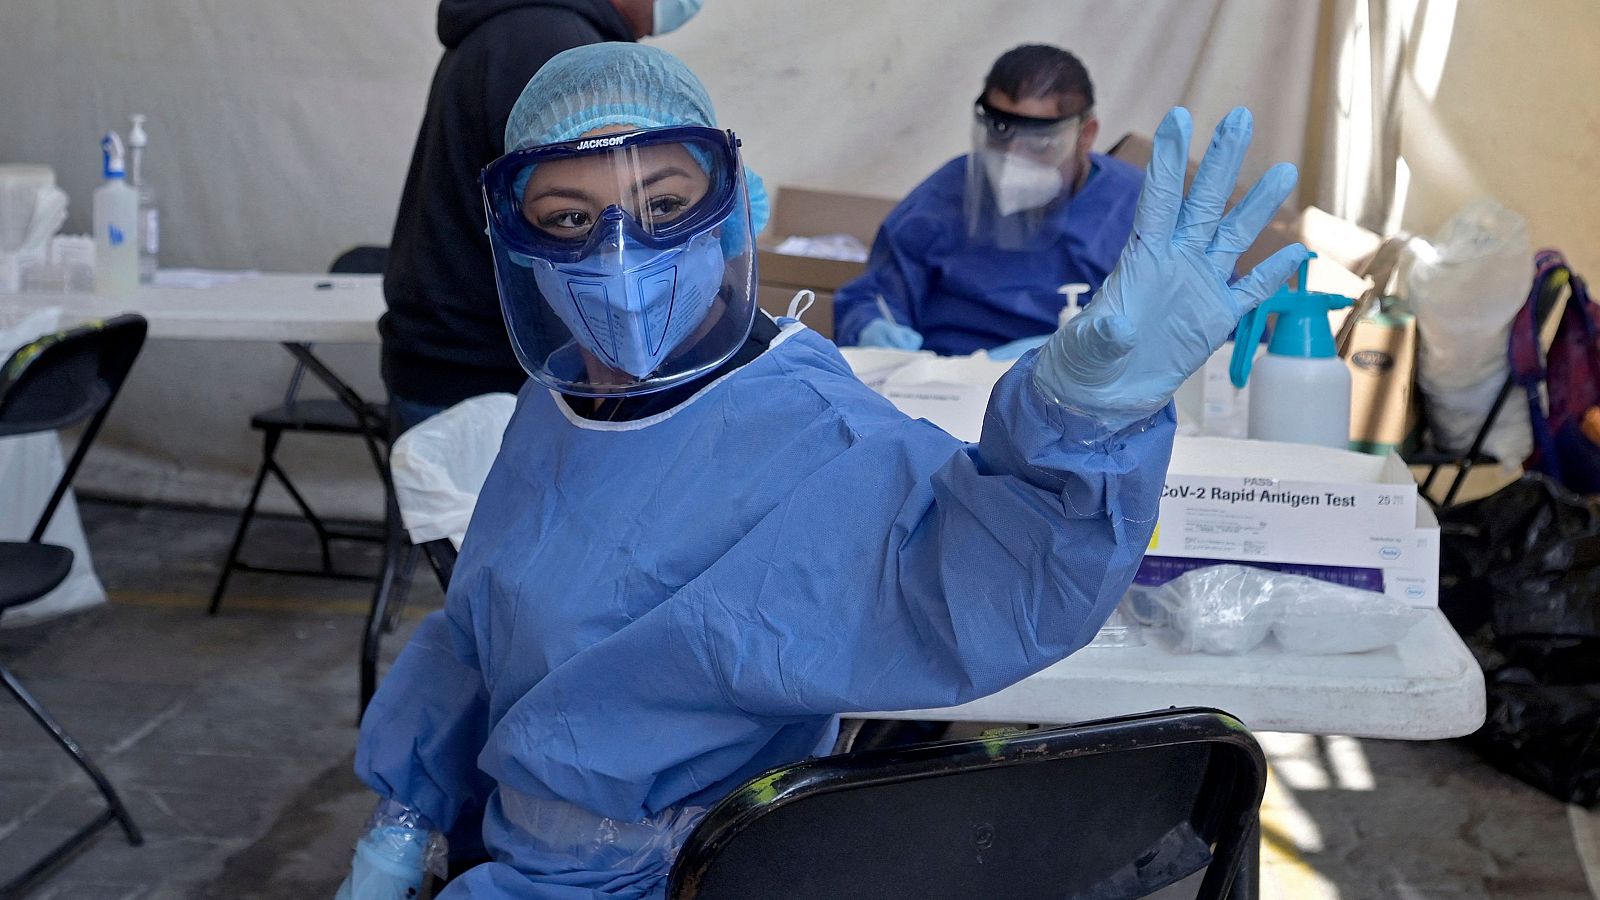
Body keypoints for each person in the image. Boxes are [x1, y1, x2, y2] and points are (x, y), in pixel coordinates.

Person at [336, 42, 1306, 900]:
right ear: (519, 239)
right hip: (517, 852)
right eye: (566, 216)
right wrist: (406, 811)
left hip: (683, 869)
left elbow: (986, 577)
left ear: (730, 210)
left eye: (664, 204)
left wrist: (1084, 420)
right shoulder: (554, 414)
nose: (619, 256)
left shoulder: (805, 426)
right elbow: (479, 628)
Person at [379, 0, 711, 432]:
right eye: (573, 219)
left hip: (448, 352)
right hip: (483, 375)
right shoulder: (550, 45)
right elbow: (561, 226)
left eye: (664, 206)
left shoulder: (515, 27)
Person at [834, 44, 1143, 358]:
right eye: (999, 135)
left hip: (1064, 389)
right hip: (938, 378)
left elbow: (1155, 331)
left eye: (1038, 145)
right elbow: (878, 292)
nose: (1011, 160)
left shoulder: (1132, 208)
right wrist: (870, 326)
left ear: (1085, 134)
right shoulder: (946, 194)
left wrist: (1054, 356)